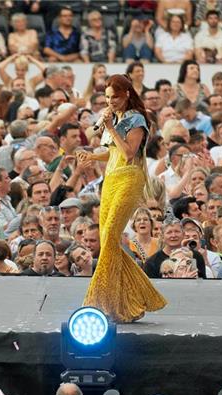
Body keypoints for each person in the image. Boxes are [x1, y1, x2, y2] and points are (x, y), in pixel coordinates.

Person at [82, 74, 166, 323]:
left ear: (127, 95)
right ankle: (135, 296)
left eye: (115, 97)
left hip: (129, 178)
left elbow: (129, 154)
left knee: (109, 238)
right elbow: (113, 154)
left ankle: (97, 299)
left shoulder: (136, 119)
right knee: (108, 238)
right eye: (107, 98)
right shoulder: (116, 118)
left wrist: (109, 128)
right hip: (111, 178)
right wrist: (91, 157)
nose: (111, 102)